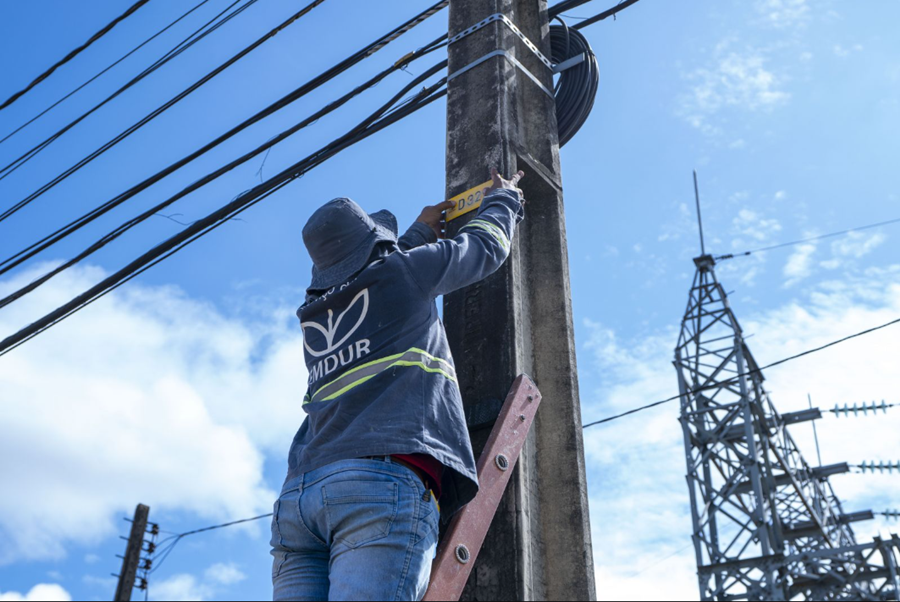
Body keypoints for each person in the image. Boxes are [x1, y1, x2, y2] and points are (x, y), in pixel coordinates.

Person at [271, 168, 526, 601]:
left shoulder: (315, 316)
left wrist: (419, 232)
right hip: (378, 484)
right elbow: (484, 248)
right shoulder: (403, 274)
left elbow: (382, 273)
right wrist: (504, 200)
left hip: (300, 498)